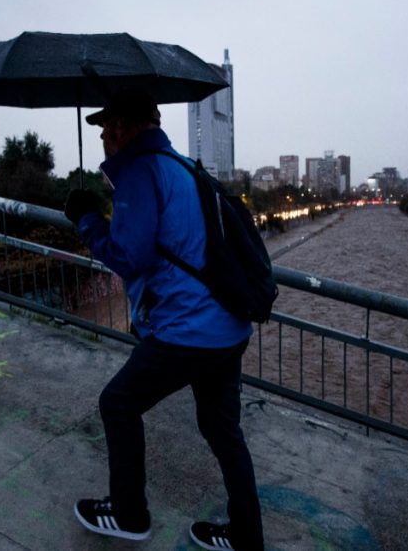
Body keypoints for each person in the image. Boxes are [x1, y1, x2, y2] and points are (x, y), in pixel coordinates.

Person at [64, 89, 264, 551]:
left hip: (188, 331)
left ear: (120, 127)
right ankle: (247, 537)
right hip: (227, 326)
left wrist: (88, 219)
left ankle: (130, 513)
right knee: (223, 431)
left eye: (105, 127)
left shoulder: (139, 171)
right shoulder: (184, 167)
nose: (102, 137)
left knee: (118, 403)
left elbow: (128, 256)